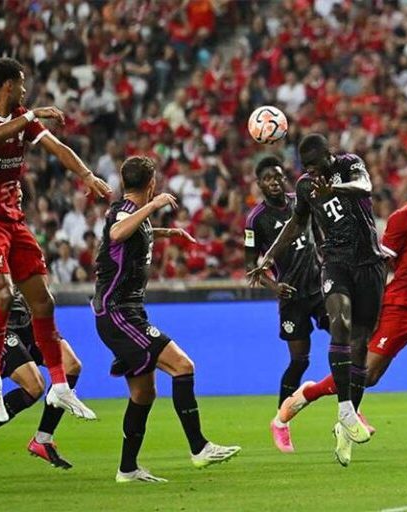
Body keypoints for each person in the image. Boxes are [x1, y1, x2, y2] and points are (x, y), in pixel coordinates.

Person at [278, 154, 407, 461]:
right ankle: (308, 393)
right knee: (367, 376)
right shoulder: (404, 218)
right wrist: (370, 310)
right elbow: (378, 264)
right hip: (397, 306)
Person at [0, 57, 110, 422]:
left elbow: (58, 147)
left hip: (14, 219)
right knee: (4, 294)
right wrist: (30, 116)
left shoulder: (22, 118)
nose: (25, 91)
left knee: (43, 300)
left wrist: (86, 175)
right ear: (7, 85)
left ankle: (59, 385)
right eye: (22, 84)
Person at [93, 156, 240, 483]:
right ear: (152, 184)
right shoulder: (124, 211)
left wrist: (166, 231)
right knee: (183, 366)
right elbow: (117, 232)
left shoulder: (133, 215)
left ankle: (127, 469)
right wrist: (156, 205)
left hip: (125, 311)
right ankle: (199, 448)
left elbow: (129, 232)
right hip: (118, 312)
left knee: (143, 393)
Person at [248, 133, 386, 466]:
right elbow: (297, 224)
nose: (314, 172)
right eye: (307, 168)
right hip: (335, 263)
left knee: (360, 344)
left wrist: (335, 189)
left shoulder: (349, 165)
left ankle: (344, 424)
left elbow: (366, 186)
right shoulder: (307, 186)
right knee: (339, 324)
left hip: (370, 264)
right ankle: (346, 410)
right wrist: (267, 259)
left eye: (318, 165)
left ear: (330, 155)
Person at [0, 242, 81, 473]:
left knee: (71, 365)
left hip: (29, 320)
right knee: (35, 386)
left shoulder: (19, 234)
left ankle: (42, 439)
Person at [244, 155, 328, 453]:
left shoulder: (299, 201)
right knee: (300, 360)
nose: (275, 182)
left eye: (279, 177)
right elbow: (250, 266)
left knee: (345, 339)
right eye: (269, 179)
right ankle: (282, 421)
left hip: (319, 288)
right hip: (291, 296)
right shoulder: (256, 219)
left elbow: (319, 232)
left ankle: (351, 407)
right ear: (260, 184)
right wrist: (274, 286)